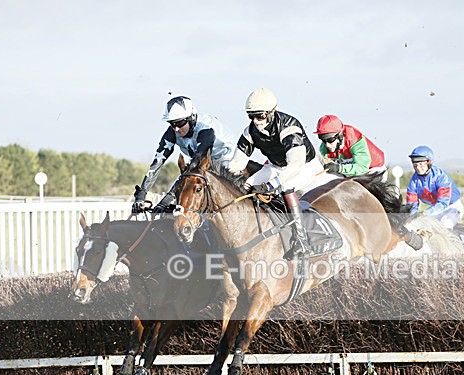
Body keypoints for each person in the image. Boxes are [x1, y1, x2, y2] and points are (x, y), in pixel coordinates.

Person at [227, 88, 328, 258]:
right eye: (251, 116)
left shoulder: (289, 126)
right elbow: (236, 164)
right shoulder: (250, 131)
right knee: (246, 186)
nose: (256, 121)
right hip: (276, 166)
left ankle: (302, 241)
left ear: (271, 112)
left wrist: (272, 184)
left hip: (305, 166)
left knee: (285, 186)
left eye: (260, 116)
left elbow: (295, 165)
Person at [132, 95, 237, 214]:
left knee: (193, 184)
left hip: (228, 160)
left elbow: (196, 165)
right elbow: (157, 163)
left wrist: (167, 200)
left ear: (191, 118)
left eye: (180, 123)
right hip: (204, 164)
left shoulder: (206, 129)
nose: (176, 129)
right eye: (172, 124)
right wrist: (141, 194)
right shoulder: (172, 132)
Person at [405, 145, 463, 229]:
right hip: (435, 209)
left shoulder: (441, 176)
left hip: (452, 207)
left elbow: (443, 203)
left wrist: (425, 213)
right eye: (415, 165)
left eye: (421, 164)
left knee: (445, 224)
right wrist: (410, 218)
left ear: (429, 162)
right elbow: (412, 205)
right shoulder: (414, 181)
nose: (418, 168)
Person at [314, 114, 387, 178]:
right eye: (323, 140)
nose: (327, 145)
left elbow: (362, 168)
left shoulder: (355, 139)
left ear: (340, 135)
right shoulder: (325, 146)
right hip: (351, 173)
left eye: (330, 139)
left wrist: (339, 168)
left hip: (373, 171)